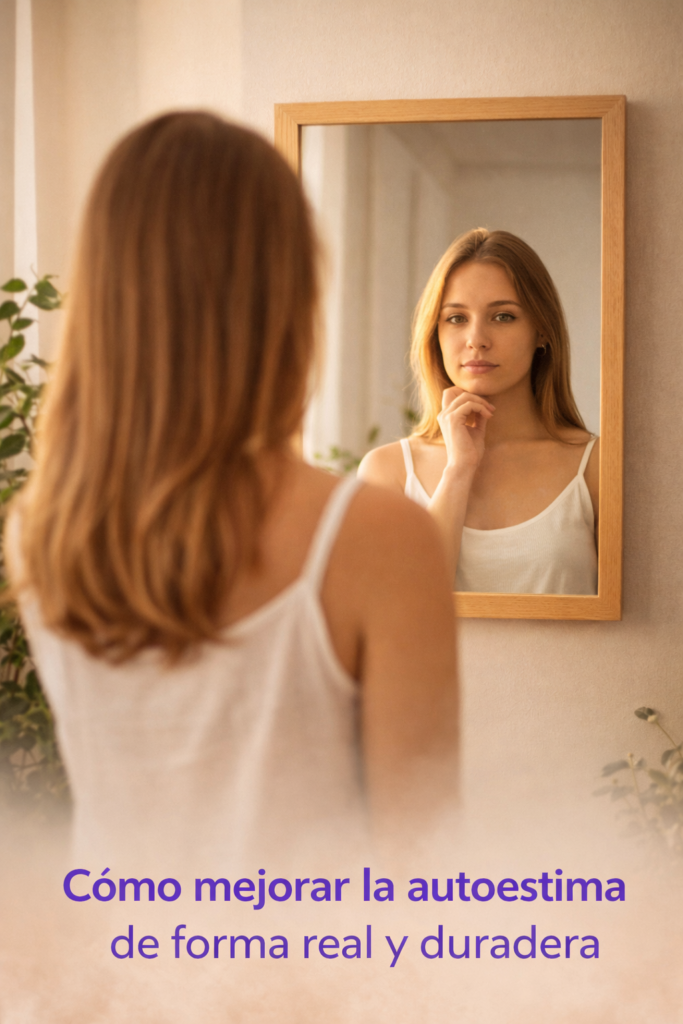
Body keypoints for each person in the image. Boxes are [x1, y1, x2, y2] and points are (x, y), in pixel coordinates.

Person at [6, 112, 457, 868]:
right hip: (311, 987)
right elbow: (426, 878)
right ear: (285, 292)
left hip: (104, 977)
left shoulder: (40, 528)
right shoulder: (376, 538)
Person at [359, 228, 599, 596]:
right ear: (434, 334)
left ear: (542, 331)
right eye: (456, 318)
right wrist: (458, 470)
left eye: (503, 316)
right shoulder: (387, 472)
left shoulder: (595, 466)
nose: (476, 339)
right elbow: (408, 608)